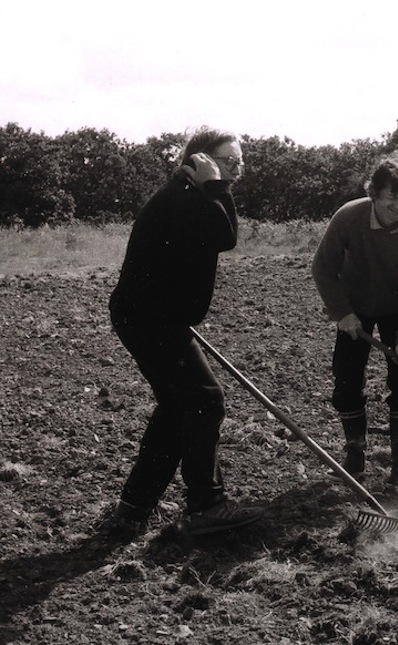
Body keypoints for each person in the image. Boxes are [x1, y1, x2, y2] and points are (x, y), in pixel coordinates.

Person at [107, 126, 264, 536]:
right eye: (228, 162)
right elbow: (225, 237)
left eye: (240, 162)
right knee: (205, 399)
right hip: (148, 318)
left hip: (155, 316)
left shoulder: (193, 195)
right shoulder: (183, 198)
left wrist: (214, 186)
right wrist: (216, 186)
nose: (237, 170)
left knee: (179, 406)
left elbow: (218, 235)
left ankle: (134, 506)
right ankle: (206, 506)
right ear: (200, 161)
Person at [311, 152, 398, 489]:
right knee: (347, 380)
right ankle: (355, 454)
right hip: (356, 305)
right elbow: (323, 267)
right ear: (375, 194)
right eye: (391, 197)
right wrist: (343, 312)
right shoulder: (349, 218)